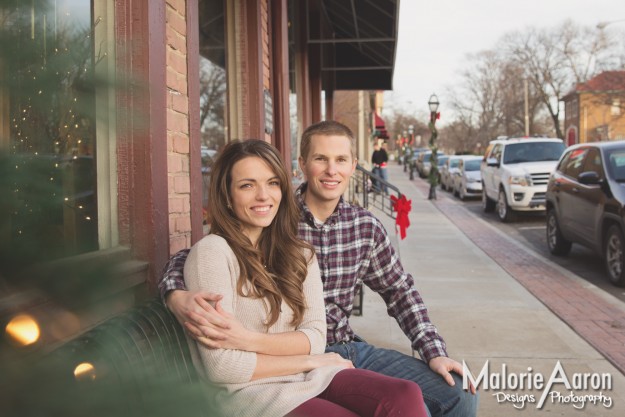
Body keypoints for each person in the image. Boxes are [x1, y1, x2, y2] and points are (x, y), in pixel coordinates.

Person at [160, 122, 478, 417]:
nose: (331, 170)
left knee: (458, 392)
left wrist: (434, 352)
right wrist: (175, 294)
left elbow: (400, 292)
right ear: (302, 164)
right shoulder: (276, 219)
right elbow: (197, 256)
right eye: (321, 159)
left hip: (344, 347)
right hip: (284, 362)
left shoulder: (362, 228)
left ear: (354, 166)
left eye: (341, 160)